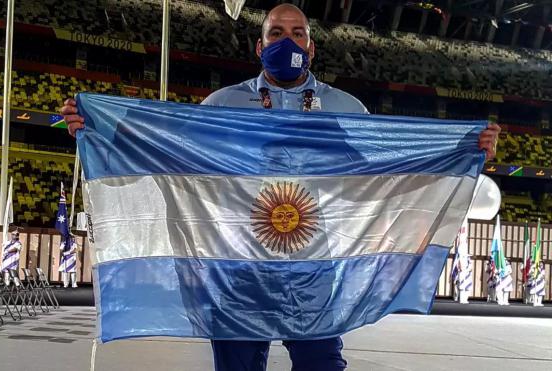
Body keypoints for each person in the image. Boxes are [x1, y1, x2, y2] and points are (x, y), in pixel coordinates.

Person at [60, 4, 501, 370]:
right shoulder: (222, 105)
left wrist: (466, 151)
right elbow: (173, 160)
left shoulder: (345, 108)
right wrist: (100, 130)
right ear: (260, 45)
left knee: (321, 365)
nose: (286, 41)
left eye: (296, 32)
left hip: (313, 264)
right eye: (275, 33)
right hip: (236, 265)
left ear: (311, 45)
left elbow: (385, 176)